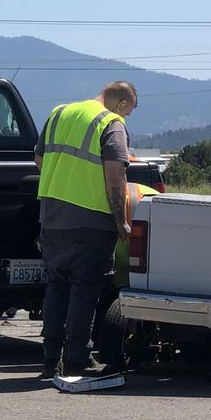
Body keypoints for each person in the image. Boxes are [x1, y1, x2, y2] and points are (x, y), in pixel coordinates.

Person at [34, 81, 137, 379]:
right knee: (85, 291)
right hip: (91, 220)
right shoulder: (111, 123)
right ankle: (77, 360)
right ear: (120, 105)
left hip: (52, 218)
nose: (126, 117)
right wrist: (121, 220)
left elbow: (40, 158)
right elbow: (116, 177)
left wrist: (64, 181)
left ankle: (50, 359)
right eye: (128, 112)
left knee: (56, 288)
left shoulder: (59, 113)